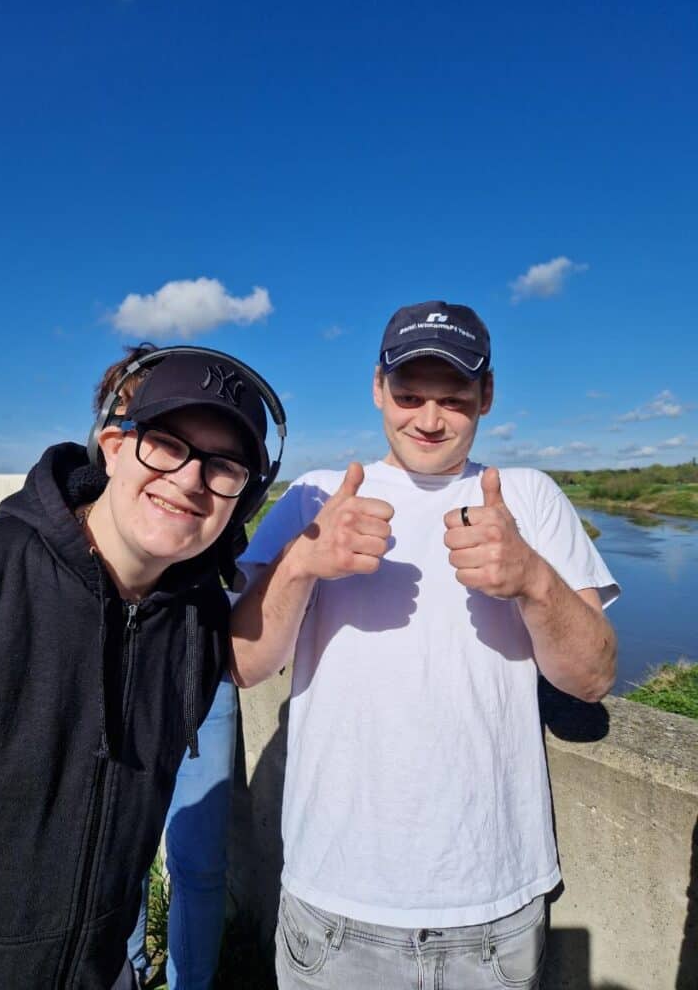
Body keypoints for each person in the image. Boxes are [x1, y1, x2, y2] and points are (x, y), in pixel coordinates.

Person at [231, 300, 619, 989]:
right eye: (410, 395)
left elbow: (592, 678)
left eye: (454, 399)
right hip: (333, 902)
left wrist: (532, 579)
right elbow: (243, 663)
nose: (430, 419)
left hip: (495, 909)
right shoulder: (315, 498)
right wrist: (300, 564)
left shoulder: (528, 497)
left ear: (487, 396)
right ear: (378, 389)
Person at [0, 346, 281, 989]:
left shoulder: (197, 618)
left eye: (224, 467)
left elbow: (252, 659)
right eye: (167, 445)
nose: (190, 480)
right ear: (114, 447)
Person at [98, 347, 238, 990]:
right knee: (113, 854)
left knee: (200, 862)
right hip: (115, 676)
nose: (182, 467)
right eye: (158, 433)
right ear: (113, 435)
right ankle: (122, 970)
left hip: (201, 675)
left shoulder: (210, 496)